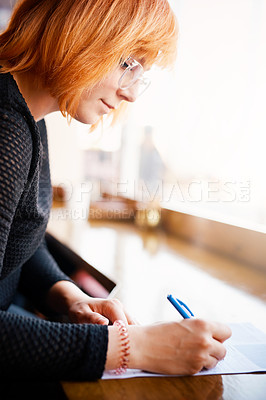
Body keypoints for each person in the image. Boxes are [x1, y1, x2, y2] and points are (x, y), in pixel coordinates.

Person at [0, 0, 231, 380]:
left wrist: (70, 295)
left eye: (140, 73)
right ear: (77, 30)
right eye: (126, 63)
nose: (131, 94)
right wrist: (136, 347)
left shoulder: (28, 116)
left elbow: (18, 239)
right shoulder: (7, 128)